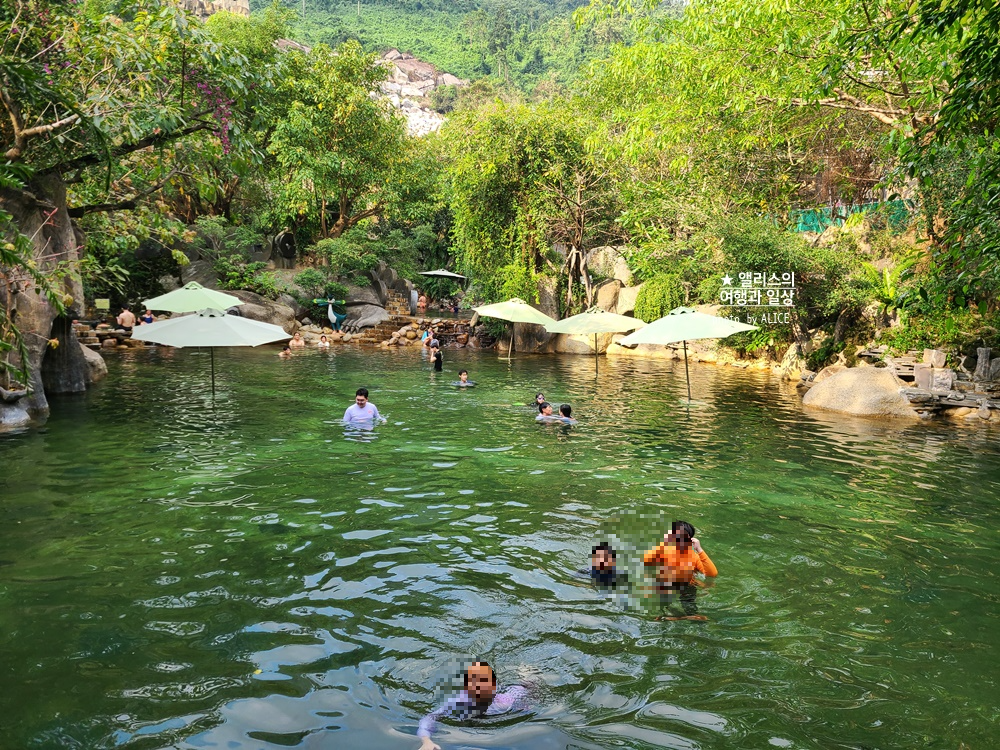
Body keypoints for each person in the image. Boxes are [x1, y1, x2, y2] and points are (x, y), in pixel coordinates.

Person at [416, 661, 528, 750]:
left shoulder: (502, 702)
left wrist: (524, 706)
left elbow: (522, 691)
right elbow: (430, 717)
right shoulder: (457, 702)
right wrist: (426, 741)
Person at [642, 520, 717, 621]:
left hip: (686, 587)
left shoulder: (693, 556)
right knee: (659, 606)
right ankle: (677, 618)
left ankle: (679, 618)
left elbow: (712, 574)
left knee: (691, 609)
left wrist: (699, 549)